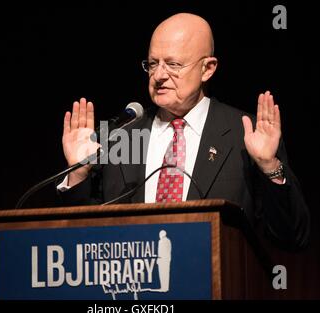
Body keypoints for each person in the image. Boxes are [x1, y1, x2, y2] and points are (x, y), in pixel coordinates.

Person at [57, 13, 310, 250]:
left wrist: (269, 167)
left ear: (207, 69)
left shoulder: (245, 134)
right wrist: (78, 174)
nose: (158, 75)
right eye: (153, 64)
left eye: (173, 64)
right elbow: (80, 241)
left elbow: (292, 237)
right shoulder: (121, 135)